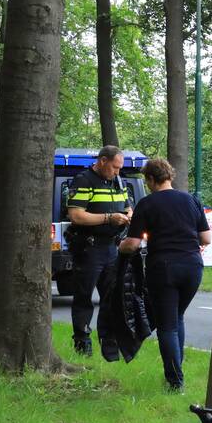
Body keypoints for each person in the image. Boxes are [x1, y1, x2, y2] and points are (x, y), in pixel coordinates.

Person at [118, 158, 211, 391]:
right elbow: (206, 239)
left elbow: (132, 244)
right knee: (176, 318)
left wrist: (119, 247)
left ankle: (175, 381)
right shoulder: (191, 200)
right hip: (193, 267)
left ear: (150, 179)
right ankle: (176, 371)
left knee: (166, 325)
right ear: (169, 175)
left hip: (164, 268)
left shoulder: (147, 204)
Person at [66, 145, 133, 355]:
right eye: (114, 167)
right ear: (102, 161)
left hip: (112, 246)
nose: (117, 172)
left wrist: (128, 215)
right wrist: (108, 218)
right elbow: (76, 215)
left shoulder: (118, 182)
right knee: (84, 296)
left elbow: (128, 206)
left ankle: (110, 341)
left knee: (112, 296)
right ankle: (82, 342)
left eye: (120, 168)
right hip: (90, 247)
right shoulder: (84, 180)